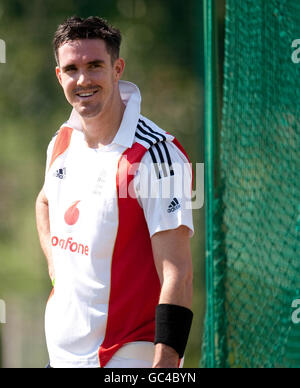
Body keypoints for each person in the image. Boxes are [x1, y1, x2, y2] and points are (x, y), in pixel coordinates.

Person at [36, 16, 194, 369]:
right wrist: (57, 269)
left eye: (95, 66)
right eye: (72, 69)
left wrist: (165, 370)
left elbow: (179, 275)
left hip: (124, 361)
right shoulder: (62, 141)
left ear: (117, 68)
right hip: (60, 359)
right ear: (59, 76)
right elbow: (44, 202)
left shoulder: (156, 156)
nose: (83, 80)